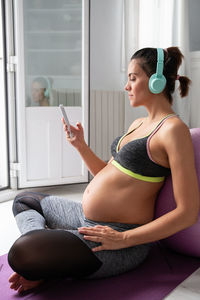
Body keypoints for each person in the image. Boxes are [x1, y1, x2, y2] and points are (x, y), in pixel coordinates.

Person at [8, 47, 199, 293]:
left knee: (24, 252)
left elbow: (188, 212)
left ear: (156, 81)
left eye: (132, 78)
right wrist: (80, 145)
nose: (126, 86)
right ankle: (49, 259)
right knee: (25, 201)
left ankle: (47, 257)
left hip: (117, 239)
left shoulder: (173, 130)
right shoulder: (138, 123)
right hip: (87, 221)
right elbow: (107, 175)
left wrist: (122, 239)